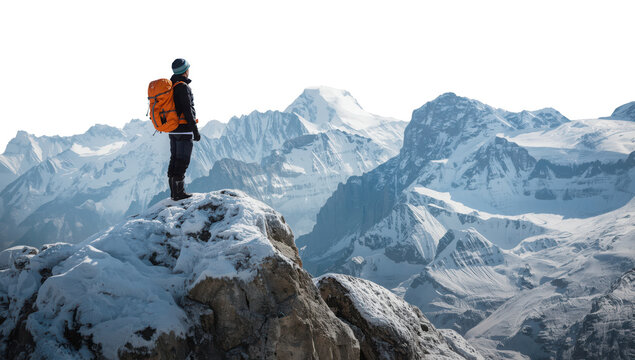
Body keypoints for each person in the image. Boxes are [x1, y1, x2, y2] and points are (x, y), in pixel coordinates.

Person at [167, 58, 201, 200]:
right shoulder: (182, 87)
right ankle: (179, 193)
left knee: (174, 159)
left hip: (172, 129)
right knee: (183, 161)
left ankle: (174, 192)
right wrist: (195, 130)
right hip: (184, 129)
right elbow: (188, 110)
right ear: (185, 71)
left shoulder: (171, 86)